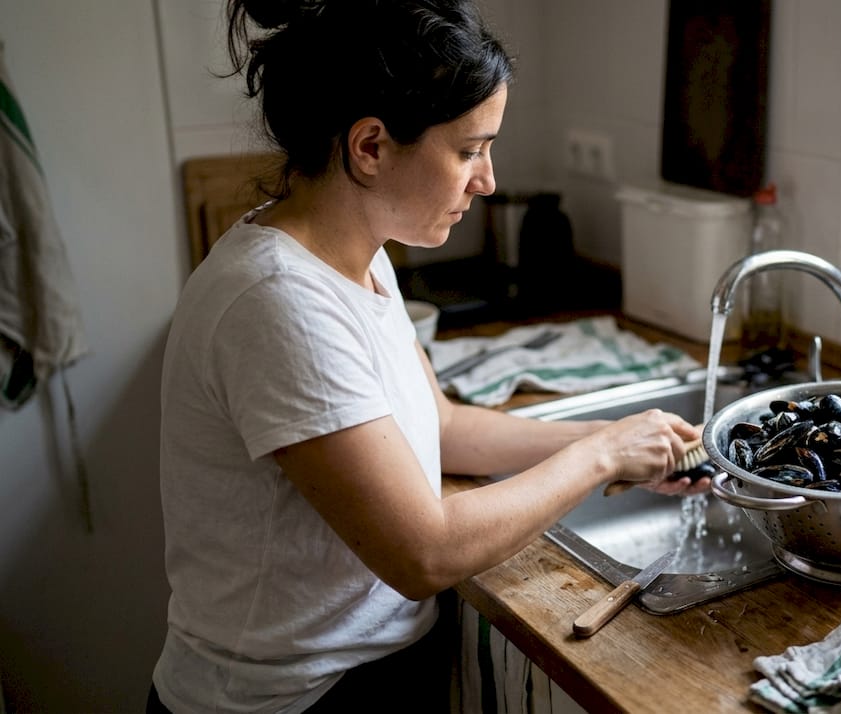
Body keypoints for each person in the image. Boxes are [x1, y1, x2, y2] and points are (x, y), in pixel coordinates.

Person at [148, 1, 705, 711]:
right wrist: (600, 460)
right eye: (470, 149)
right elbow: (425, 552)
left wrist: (618, 443)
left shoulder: (357, 255)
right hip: (289, 700)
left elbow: (441, 428)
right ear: (370, 147)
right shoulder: (276, 302)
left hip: (368, 673)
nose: (488, 180)